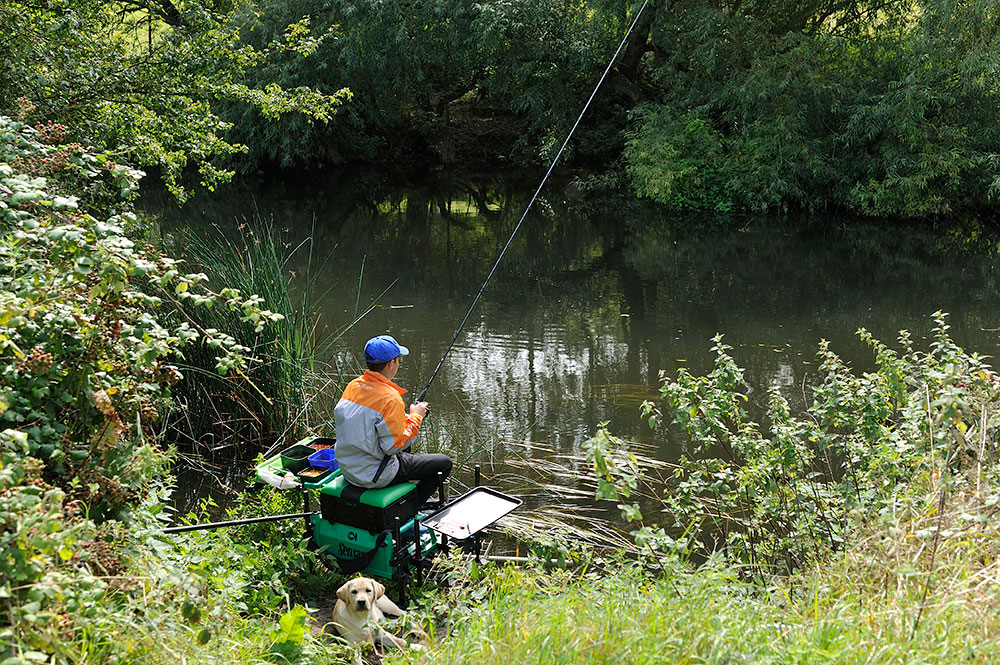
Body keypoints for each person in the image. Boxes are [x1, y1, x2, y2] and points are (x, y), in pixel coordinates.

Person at [334, 334, 452, 506]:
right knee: (443, 463)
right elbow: (393, 446)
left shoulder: (353, 386)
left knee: (408, 449)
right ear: (391, 363)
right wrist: (416, 417)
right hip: (373, 476)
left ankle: (402, 498)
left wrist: (402, 417)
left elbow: (366, 420)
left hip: (349, 470)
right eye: (398, 360)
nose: (398, 364)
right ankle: (409, 510)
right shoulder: (390, 397)